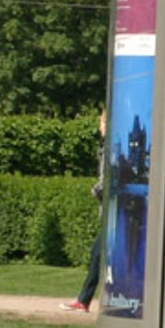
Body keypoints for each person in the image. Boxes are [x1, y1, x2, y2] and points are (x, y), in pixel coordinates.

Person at [62, 111, 109, 313]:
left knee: (98, 253)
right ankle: (84, 299)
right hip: (109, 212)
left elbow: (107, 177)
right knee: (97, 253)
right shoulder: (106, 146)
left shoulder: (109, 147)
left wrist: (96, 190)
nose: (100, 126)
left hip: (111, 213)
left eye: (102, 122)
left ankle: (84, 300)